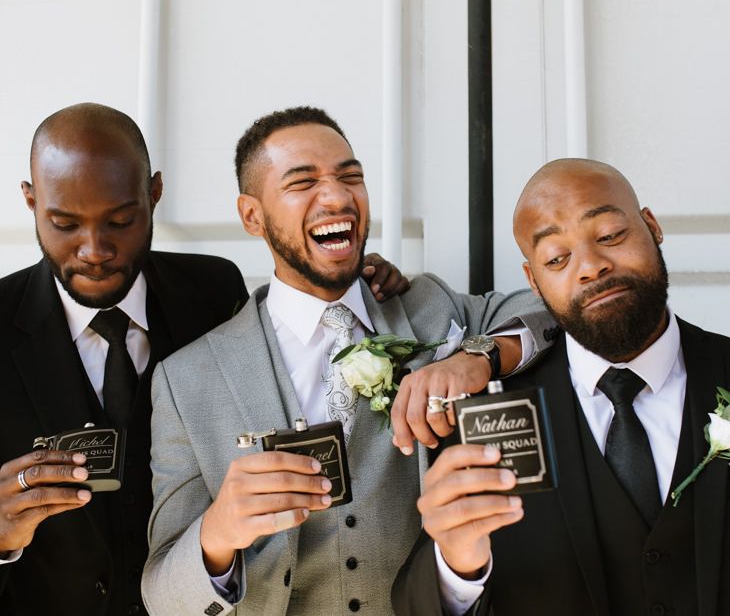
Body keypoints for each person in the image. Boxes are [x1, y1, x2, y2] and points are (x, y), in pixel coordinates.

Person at [140, 106, 555, 615]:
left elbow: (553, 309)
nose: (337, 197)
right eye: (303, 181)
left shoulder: (430, 307)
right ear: (252, 216)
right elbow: (161, 597)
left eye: (350, 176)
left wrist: (479, 357)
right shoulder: (185, 381)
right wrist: (218, 532)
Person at [0, 102, 406, 616]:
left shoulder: (214, 289)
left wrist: (351, 275)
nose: (94, 249)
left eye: (121, 221)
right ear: (30, 201)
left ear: (154, 195)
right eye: (64, 223)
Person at [392, 159, 730, 615]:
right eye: (557, 258)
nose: (591, 267)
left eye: (610, 234)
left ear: (651, 226)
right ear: (533, 280)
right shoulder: (479, 414)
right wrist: (458, 565)